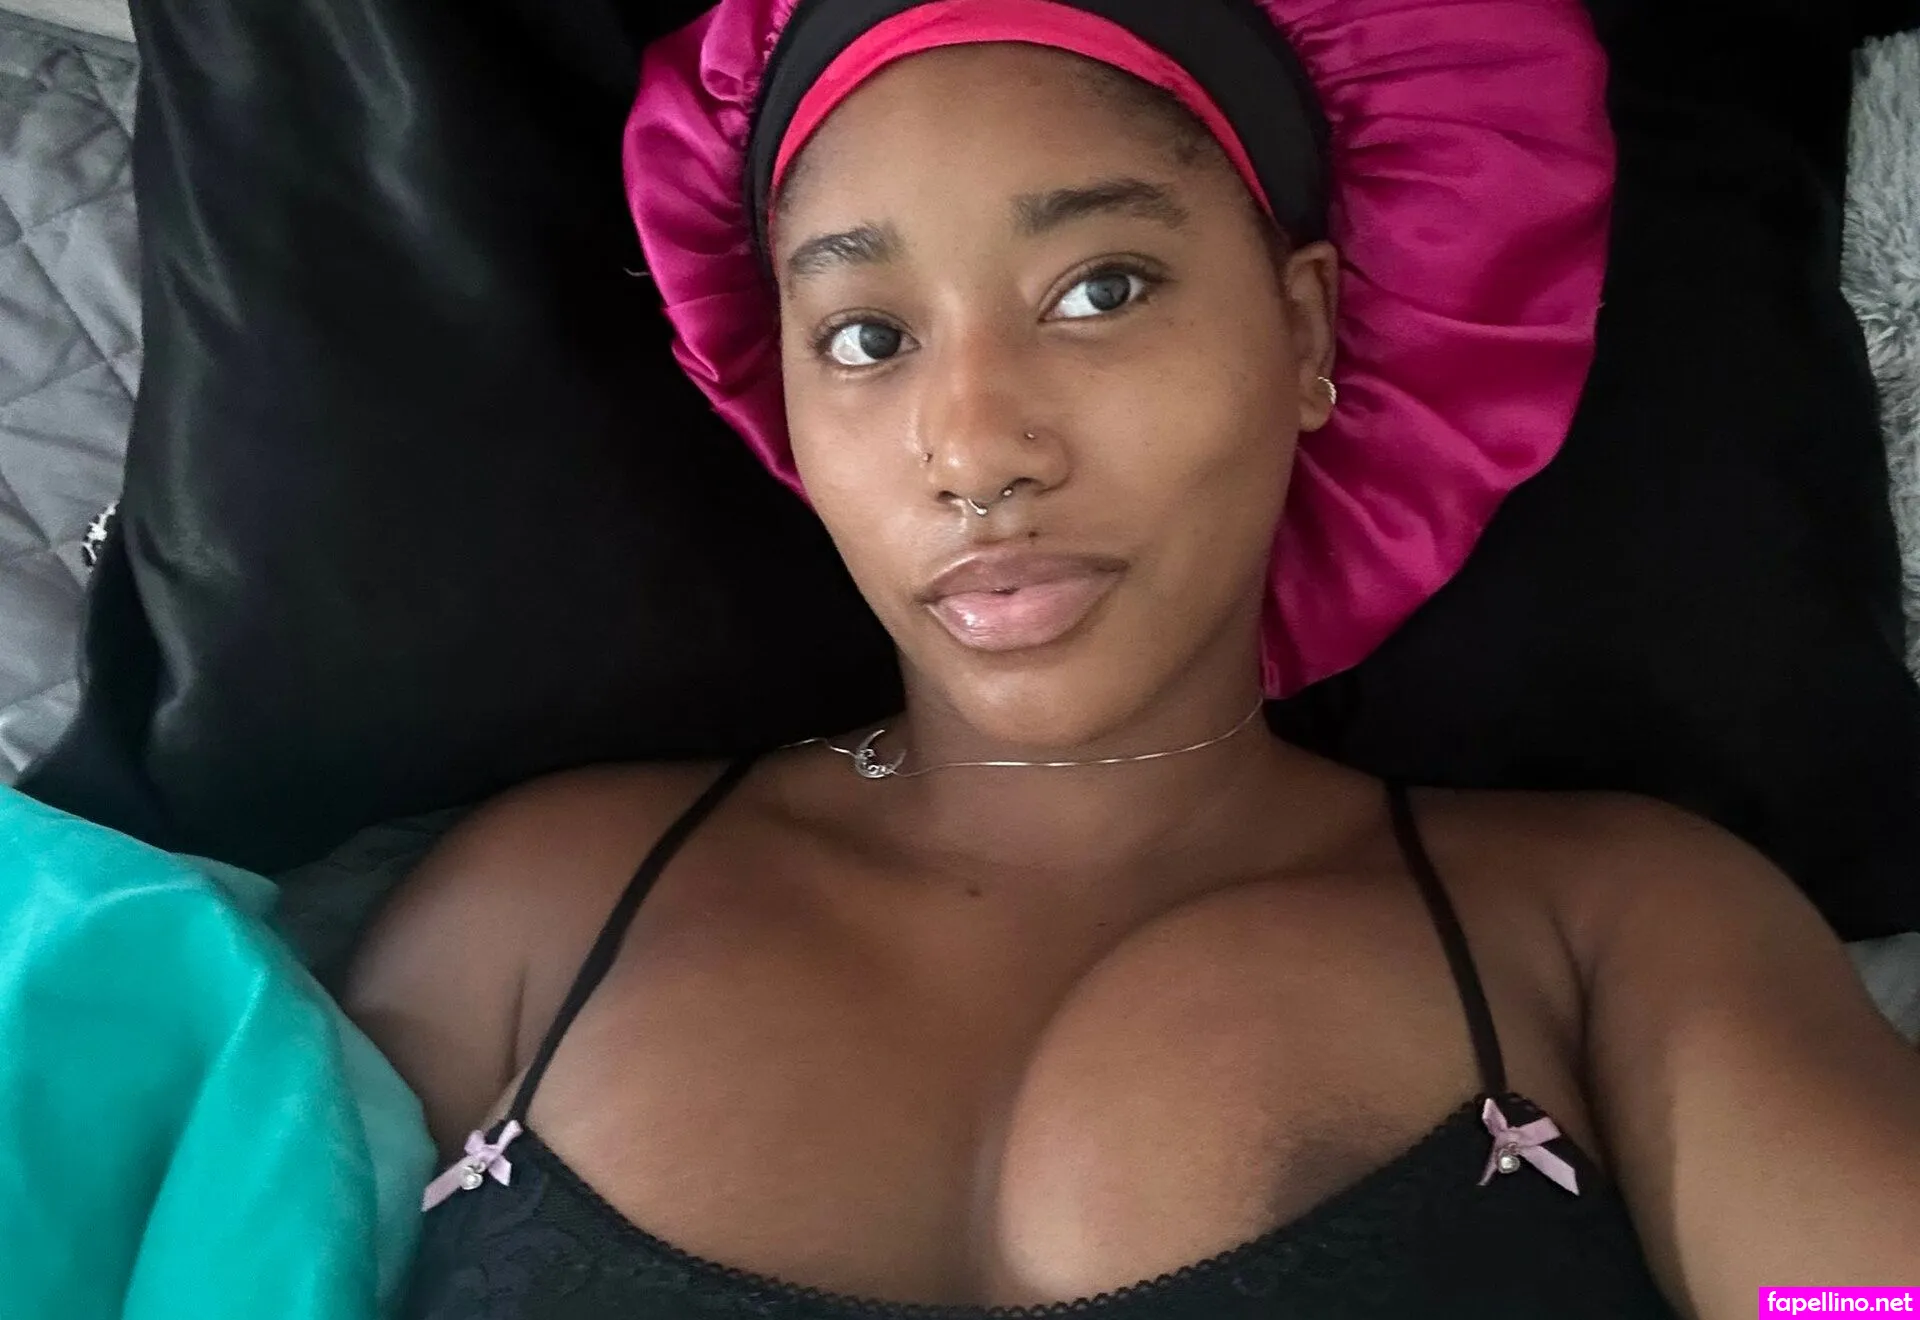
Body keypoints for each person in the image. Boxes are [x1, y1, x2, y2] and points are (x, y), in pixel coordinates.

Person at [347, 0, 1920, 1315]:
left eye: (1100, 291)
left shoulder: (1614, 932)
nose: (977, 448)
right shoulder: (531, 920)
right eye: (866, 337)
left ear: (1306, 333)